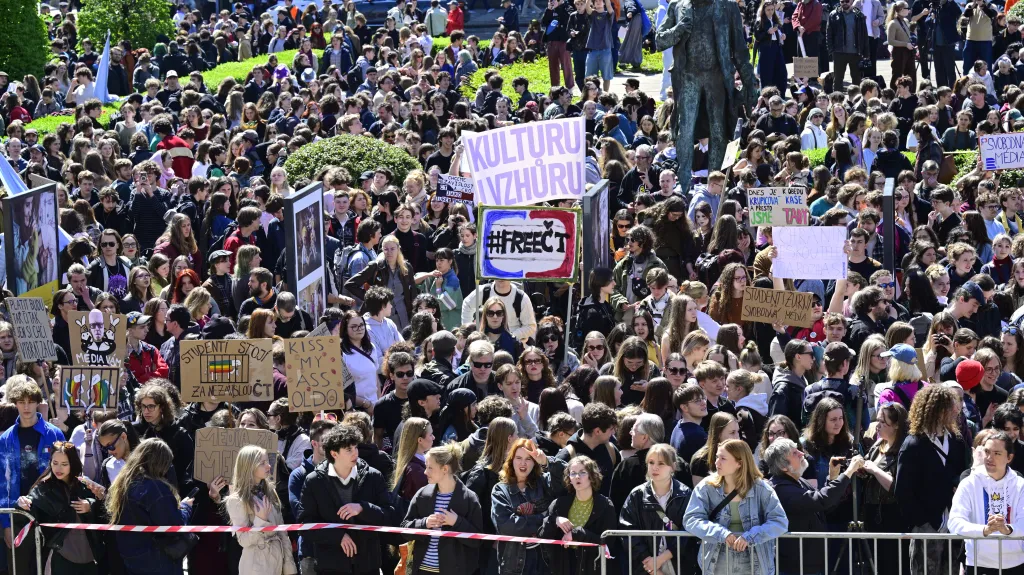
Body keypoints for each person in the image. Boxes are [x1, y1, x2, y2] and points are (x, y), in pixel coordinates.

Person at [297, 424, 394, 575]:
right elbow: (305, 523)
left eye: (355, 447)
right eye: (349, 450)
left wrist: (363, 508)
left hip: (367, 564)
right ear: (334, 453)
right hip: (331, 565)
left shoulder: (373, 477)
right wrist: (338, 536)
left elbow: (389, 515)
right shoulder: (314, 481)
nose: (355, 453)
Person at [683, 439, 788, 575]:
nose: (716, 462)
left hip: (755, 559)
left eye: (723, 458)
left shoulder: (762, 489)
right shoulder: (706, 487)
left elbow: (780, 522)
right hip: (717, 559)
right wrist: (721, 533)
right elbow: (691, 519)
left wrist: (751, 537)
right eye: (716, 457)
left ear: (739, 463)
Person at [894, 384, 969, 575]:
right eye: (949, 406)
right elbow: (903, 490)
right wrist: (921, 521)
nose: (955, 410)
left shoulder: (956, 440)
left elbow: (964, 472)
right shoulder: (913, 444)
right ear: (935, 409)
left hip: (953, 524)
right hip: (926, 527)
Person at [764, 438, 865, 575]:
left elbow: (823, 506)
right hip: (794, 567)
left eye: (799, 450)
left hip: (810, 564)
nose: (802, 454)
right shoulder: (780, 489)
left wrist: (833, 476)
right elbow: (821, 500)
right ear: (783, 466)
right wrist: (849, 472)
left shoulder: (798, 481)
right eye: (795, 453)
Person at [105, 439, 195, 575]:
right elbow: (173, 527)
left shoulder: (125, 483)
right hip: (157, 560)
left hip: (132, 557)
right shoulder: (156, 488)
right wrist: (185, 508)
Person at [400, 442, 484, 574]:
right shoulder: (422, 494)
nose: (425, 472)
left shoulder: (469, 498)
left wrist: (457, 522)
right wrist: (424, 523)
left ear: (445, 469)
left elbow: (477, 540)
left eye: (430, 468)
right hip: (421, 570)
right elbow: (404, 529)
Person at [948, 431, 1024, 574]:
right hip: (978, 563)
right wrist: (984, 530)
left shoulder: (1020, 485)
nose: (989, 458)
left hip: (1015, 563)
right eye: (987, 452)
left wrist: (1007, 529)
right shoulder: (969, 483)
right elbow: (954, 522)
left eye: (997, 453)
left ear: (1009, 457)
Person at [619, 443, 696, 575]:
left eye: (661, 463)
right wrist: (650, 564)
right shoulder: (637, 495)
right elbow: (628, 529)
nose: (655, 467)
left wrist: (663, 557)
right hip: (645, 567)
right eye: (651, 462)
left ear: (672, 467)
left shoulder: (686, 494)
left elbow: (690, 529)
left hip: (679, 564)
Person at [491, 438, 564, 575]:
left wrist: (546, 461)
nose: (523, 463)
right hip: (514, 563)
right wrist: (546, 520)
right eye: (518, 458)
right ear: (511, 460)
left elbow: (568, 477)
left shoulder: (543, 482)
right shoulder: (500, 490)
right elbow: (506, 526)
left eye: (528, 459)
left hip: (544, 559)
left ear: (534, 462)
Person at [538, 455, 618, 575]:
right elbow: (543, 537)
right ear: (569, 478)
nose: (577, 477)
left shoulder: (605, 505)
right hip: (564, 567)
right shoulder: (559, 504)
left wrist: (577, 534)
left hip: (592, 568)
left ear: (591, 476)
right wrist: (554, 520)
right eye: (573, 473)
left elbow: (608, 542)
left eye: (582, 472)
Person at [225, 445, 297, 575]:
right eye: (262, 463)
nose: (269, 466)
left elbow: (282, 532)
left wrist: (289, 567)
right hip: (256, 566)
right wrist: (260, 520)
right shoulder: (236, 500)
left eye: (267, 461)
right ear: (249, 466)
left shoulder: (270, 491)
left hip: (278, 562)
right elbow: (243, 540)